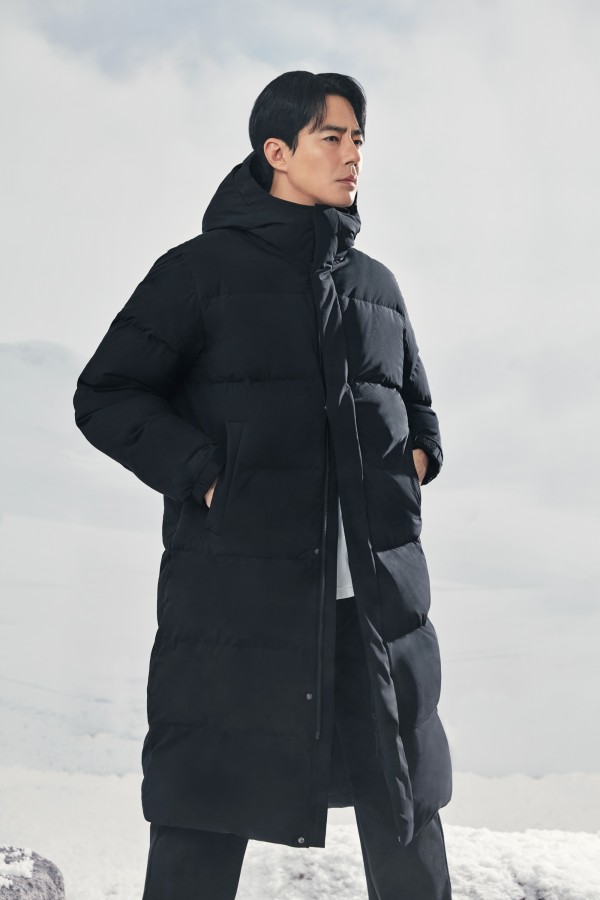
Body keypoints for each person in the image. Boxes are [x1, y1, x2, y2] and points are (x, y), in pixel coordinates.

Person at [73, 70, 453, 899]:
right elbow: (107, 394)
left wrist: (414, 465)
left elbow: (418, 412)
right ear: (277, 151)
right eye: (332, 137)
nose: (353, 155)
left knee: (406, 813)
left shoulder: (376, 287)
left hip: (375, 609)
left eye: (359, 139)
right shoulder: (197, 272)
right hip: (240, 608)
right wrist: (209, 475)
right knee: (205, 809)